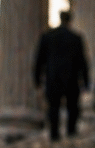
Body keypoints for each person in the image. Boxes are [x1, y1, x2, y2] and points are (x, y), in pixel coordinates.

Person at [34, 10, 90, 141]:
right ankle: (71, 132)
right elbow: (83, 62)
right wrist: (86, 81)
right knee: (72, 107)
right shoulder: (76, 38)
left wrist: (37, 78)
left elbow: (39, 60)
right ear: (70, 21)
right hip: (72, 78)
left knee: (53, 107)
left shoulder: (47, 36)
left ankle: (54, 135)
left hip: (53, 78)